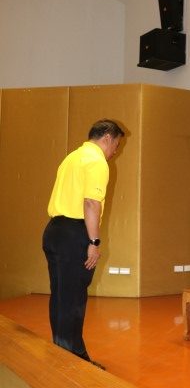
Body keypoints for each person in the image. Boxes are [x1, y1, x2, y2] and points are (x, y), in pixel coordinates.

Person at [42, 119, 125, 369]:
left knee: (60, 296)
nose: (115, 151)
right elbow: (91, 203)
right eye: (116, 145)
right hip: (74, 234)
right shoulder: (96, 161)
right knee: (74, 298)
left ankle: (60, 353)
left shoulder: (71, 158)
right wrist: (93, 242)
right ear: (108, 137)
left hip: (54, 231)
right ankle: (75, 359)